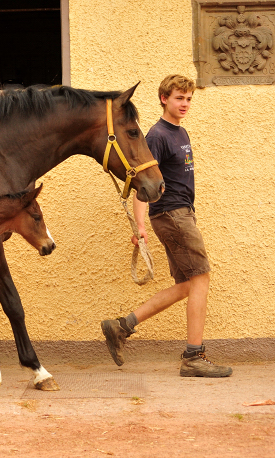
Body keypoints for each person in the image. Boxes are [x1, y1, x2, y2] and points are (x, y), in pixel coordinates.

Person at [100, 75, 232, 377]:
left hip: (182, 214)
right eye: (179, 98)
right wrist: (140, 227)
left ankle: (123, 325)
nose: (184, 104)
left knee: (187, 285)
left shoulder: (179, 132)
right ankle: (194, 357)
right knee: (201, 279)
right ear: (164, 99)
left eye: (188, 99)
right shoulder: (158, 136)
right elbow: (140, 183)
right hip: (173, 215)